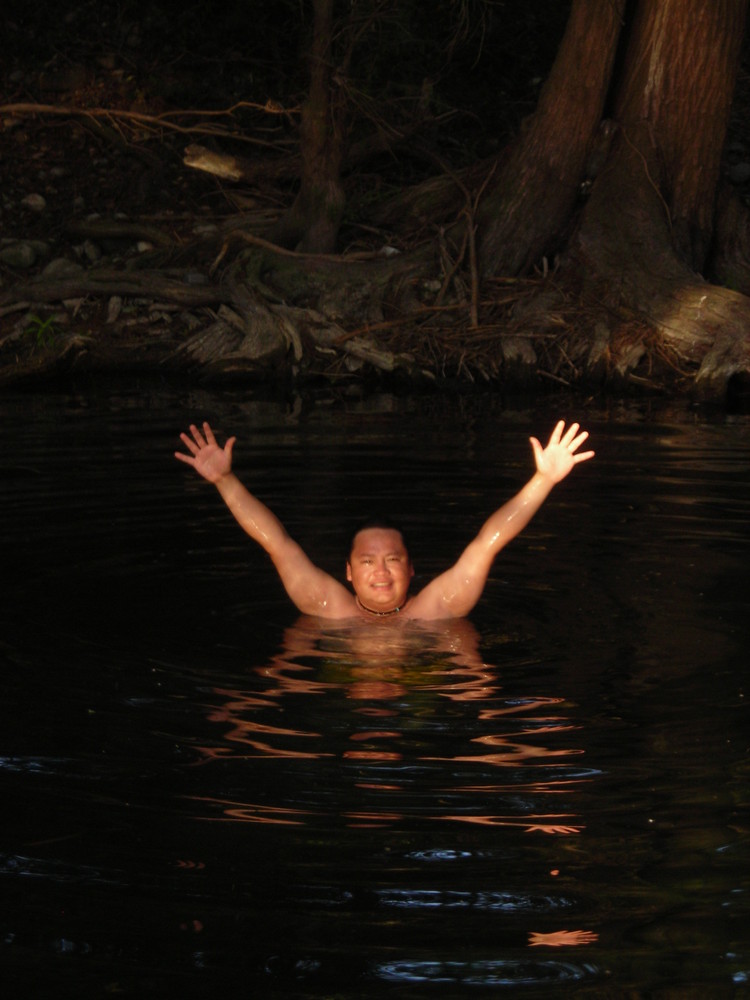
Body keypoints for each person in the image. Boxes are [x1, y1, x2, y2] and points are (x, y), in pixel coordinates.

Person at [175, 419, 594, 621]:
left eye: (392, 559)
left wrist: (543, 479)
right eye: (367, 561)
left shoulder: (437, 608)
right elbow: (276, 542)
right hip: (342, 695)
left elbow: (490, 540)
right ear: (348, 572)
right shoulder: (326, 605)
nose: (380, 571)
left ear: (411, 569)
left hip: (421, 694)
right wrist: (225, 481)